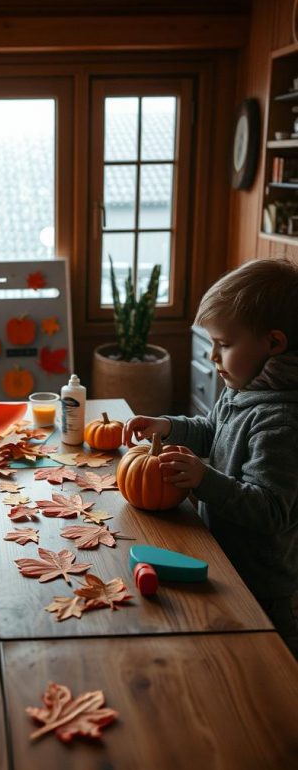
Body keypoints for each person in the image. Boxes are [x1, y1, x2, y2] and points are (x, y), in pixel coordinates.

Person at [123, 258, 298, 659]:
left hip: (265, 587)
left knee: (269, 668)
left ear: (274, 343)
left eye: (225, 344)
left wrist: (203, 480)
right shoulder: (246, 386)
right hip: (225, 557)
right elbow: (209, 429)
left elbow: (271, 509)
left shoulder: (282, 421)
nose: (214, 356)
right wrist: (167, 426)